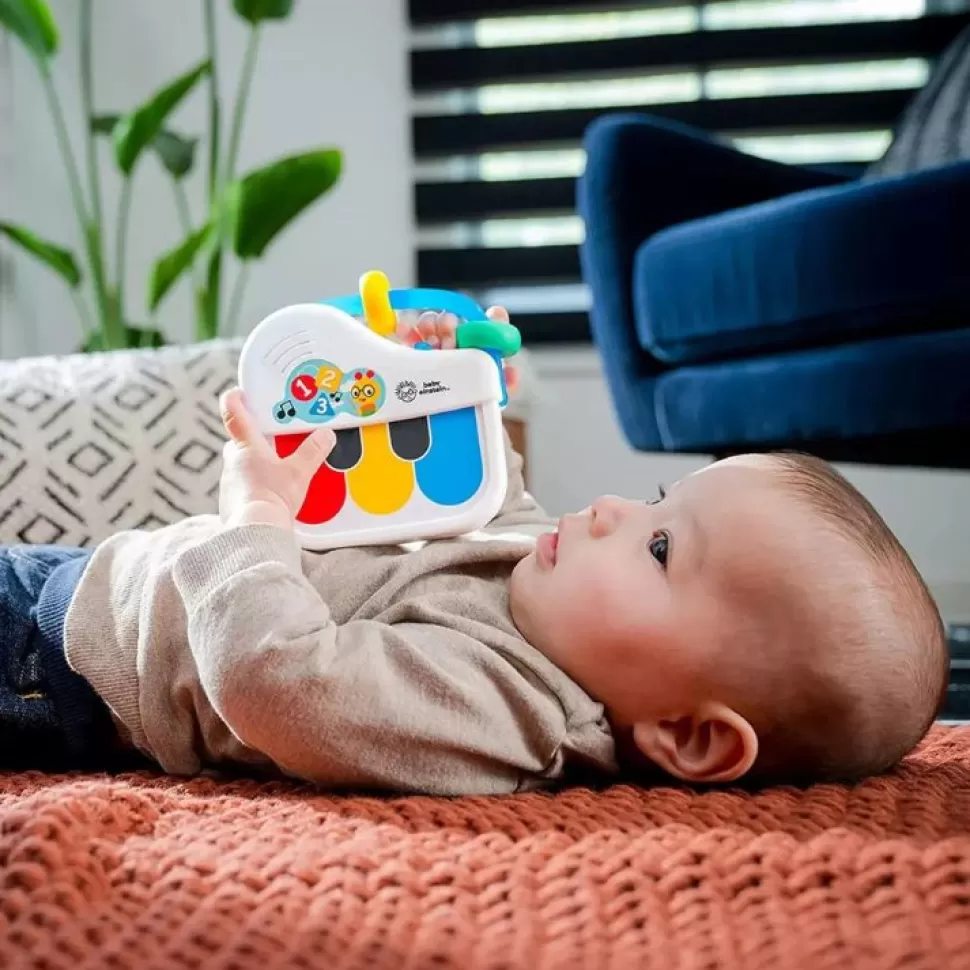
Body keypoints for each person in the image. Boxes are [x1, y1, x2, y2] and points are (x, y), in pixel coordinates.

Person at [0, 309, 948, 792]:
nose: (616, 506)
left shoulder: (507, 711)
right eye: (657, 496)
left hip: (60, 670)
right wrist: (451, 389)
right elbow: (489, 507)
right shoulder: (556, 592)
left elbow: (274, 680)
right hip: (91, 579)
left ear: (691, 735)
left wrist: (257, 516)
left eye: (662, 545)